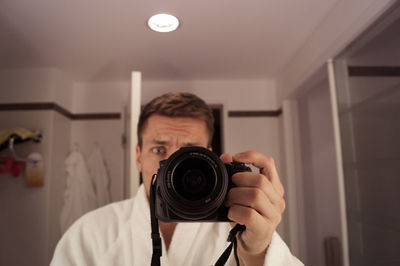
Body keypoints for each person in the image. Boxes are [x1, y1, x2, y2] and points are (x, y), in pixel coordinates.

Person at [51, 92, 303, 266]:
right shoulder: (90, 233)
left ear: (211, 157)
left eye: (188, 153)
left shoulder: (239, 224)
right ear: (138, 157)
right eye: (159, 150)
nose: (173, 166)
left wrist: (258, 252)